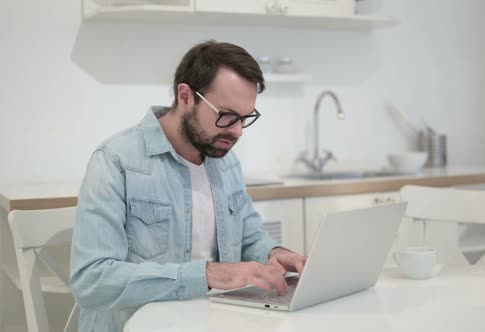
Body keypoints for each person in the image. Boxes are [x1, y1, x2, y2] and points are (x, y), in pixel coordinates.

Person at [70, 40, 307, 331]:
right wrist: (209, 275)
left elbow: (248, 238)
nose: (236, 131)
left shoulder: (224, 160)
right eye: (227, 116)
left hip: (214, 321)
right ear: (185, 96)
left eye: (245, 118)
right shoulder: (116, 161)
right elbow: (92, 281)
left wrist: (274, 254)